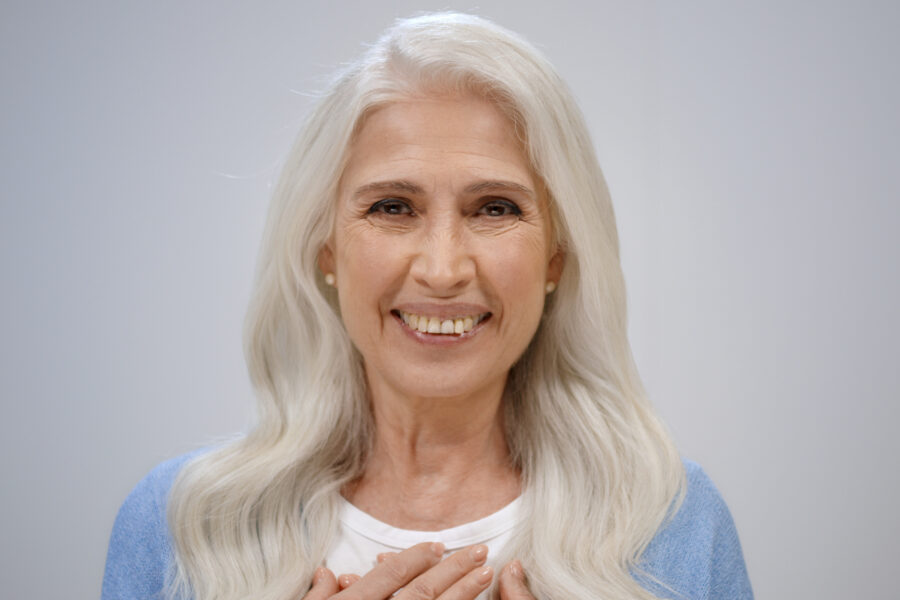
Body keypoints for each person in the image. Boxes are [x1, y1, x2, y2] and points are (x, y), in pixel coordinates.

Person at [103, 12, 752, 600]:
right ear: (326, 247)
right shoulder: (179, 527)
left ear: (557, 255)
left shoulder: (675, 522)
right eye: (392, 207)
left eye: (495, 208)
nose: (443, 270)